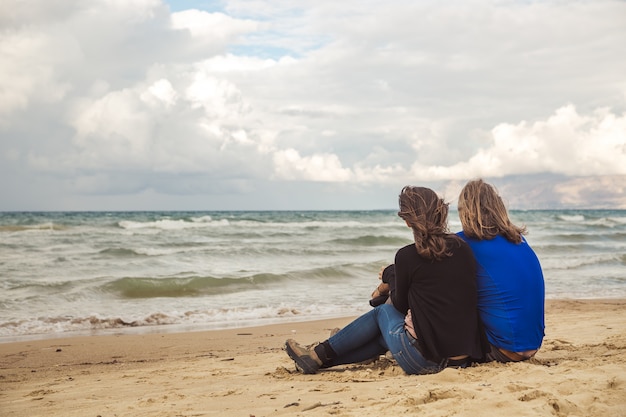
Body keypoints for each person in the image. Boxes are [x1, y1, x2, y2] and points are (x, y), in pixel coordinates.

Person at [284, 186, 485, 375]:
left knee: (382, 312)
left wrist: (390, 275)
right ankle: (318, 360)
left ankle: (318, 353)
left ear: (407, 221)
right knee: (381, 338)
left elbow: (399, 305)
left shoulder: (407, 256)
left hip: (426, 361)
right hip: (461, 360)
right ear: (441, 213)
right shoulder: (463, 249)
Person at [457, 179, 545, 362]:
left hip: (503, 349)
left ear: (465, 210)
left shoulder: (462, 243)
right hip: (532, 345)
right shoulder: (518, 240)